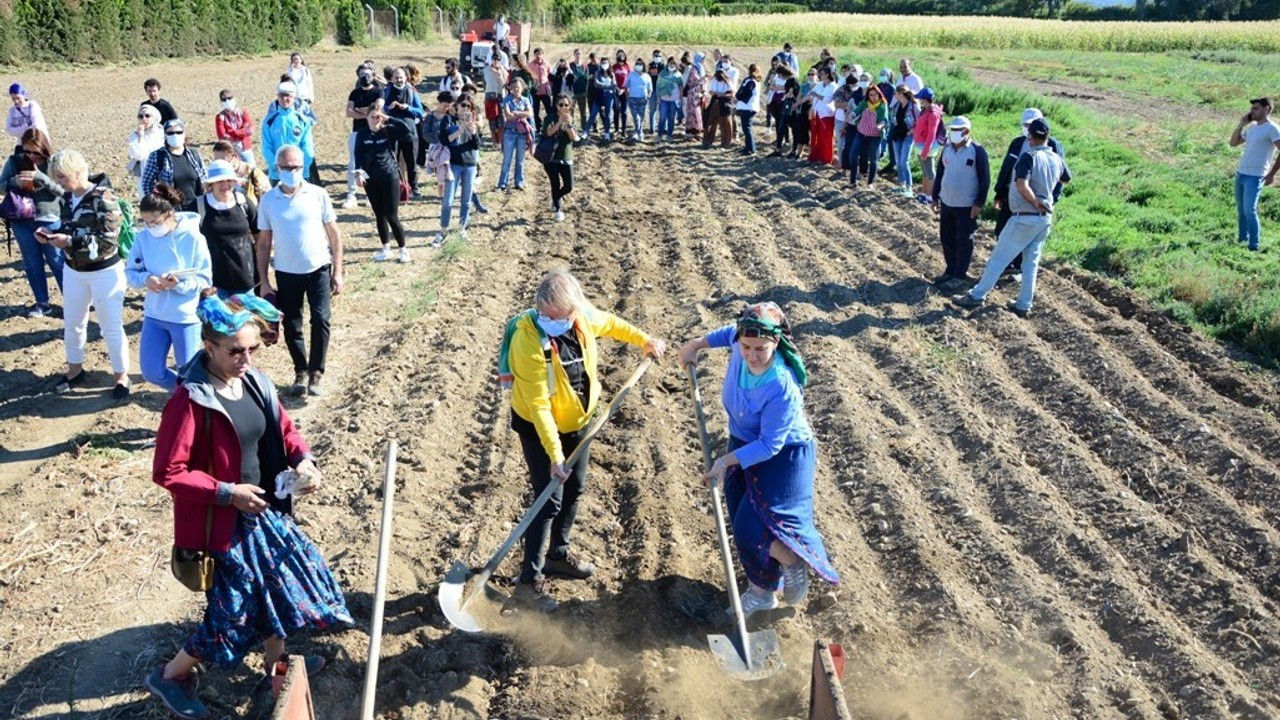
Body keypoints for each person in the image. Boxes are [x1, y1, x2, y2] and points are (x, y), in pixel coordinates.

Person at [144, 289, 350, 720]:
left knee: (277, 589)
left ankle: (276, 671)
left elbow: (285, 429)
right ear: (209, 346)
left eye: (254, 348)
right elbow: (168, 471)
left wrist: (305, 461)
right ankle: (171, 675)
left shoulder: (256, 382)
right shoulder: (191, 400)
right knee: (233, 615)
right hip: (223, 524)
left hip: (265, 513)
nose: (247, 358)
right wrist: (227, 492)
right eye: (236, 350)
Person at [505, 270, 666, 611]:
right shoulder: (527, 341)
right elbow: (538, 405)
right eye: (555, 317)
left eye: (567, 315)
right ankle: (527, 583)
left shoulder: (579, 317)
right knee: (548, 500)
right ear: (543, 311)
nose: (563, 321)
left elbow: (610, 323)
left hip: (579, 421)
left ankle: (558, 556)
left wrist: (644, 340)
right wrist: (554, 454)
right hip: (540, 428)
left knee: (575, 489)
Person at [677, 303, 839, 617]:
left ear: (775, 343)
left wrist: (725, 462)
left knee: (754, 526)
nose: (751, 355)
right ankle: (763, 593)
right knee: (741, 518)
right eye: (746, 347)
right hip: (744, 442)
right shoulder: (741, 344)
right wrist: (696, 345)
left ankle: (791, 562)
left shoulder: (781, 384)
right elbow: (728, 334)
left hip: (784, 455)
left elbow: (769, 444)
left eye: (760, 349)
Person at [953, 118, 1071, 318]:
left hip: (1024, 215)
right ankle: (1024, 304)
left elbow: (1021, 185)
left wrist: (1035, 201)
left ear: (1030, 136)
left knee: (998, 259)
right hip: (1044, 220)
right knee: (1030, 264)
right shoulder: (1056, 158)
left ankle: (976, 296)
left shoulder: (1029, 156)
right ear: (1048, 137)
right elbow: (1066, 179)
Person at [256, 146, 343, 397]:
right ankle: (301, 371)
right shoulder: (269, 201)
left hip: (318, 269)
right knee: (293, 324)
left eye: (295, 167)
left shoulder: (318, 194)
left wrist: (338, 271)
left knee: (321, 319)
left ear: (302, 167)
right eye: (286, 167)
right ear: (277, 168)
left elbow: (334, 235)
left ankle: (317, 372)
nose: (291, 171)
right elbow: (263, 243)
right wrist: (264, 280)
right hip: (286, 271)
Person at [42, 149, 130, 397]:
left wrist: (69, 241)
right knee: (73, 323)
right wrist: (51, 237)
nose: (59, 182)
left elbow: (108, 240)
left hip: (105, 272)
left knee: (110, 325)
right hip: (74, 271)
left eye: (62, 176)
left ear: (78, 172)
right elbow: (69, 226)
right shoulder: (67, 199)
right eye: (56, 177)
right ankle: (75, 369)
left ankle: (121, 376)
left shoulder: (104, 197)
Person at [126, 184, 212, 393]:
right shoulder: (142, 238)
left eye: (154, 222)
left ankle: (195, 407)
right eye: (145, 223)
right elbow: (131, 272)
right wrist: (146, 279)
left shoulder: (194, 239)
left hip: (184, 318)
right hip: (154, 315)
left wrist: (179, 285)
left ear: (170, 214)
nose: (150, 227)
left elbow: (204, 279)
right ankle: (187, 395)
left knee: (189, 372)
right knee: (152, 372)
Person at [993, 108, 1065, 280]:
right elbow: (1006, 168)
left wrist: (1052, 199)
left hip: (1035, 200)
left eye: (1031, 125)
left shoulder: (1053, 146)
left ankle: (1017, 269)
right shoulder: (1017, 143)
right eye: (1025, 125)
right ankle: (1008, 264)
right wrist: (999, 192)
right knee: (1001, 230)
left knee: (1026, 237)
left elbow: (1061, 177)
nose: (1028, 128)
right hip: (1011, 196)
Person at [1, 128, 64, 316]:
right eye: (27, 151)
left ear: (43, 149)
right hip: (21, 220)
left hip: (49, 219)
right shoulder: (15, 161)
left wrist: (40, 177)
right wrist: (14, 182)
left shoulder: (54, 162)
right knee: (32, 263)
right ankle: (42, 303)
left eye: (35, 152)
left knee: (57, 261)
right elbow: (1, 186)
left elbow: (63, 190)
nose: (30, 156)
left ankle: (72, 301)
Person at [930, 117, 990, 292]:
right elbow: (940, 173)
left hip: (966, 205)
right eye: (953, 129)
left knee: (963, 240)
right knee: (946, 238)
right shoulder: (947, 150)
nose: (955, 132)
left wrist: (979, 203)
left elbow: (985, 180)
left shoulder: (977, 152)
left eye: (959, 130)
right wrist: (935, 197)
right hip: (947, 202)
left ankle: (960, 275)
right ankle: (950, 269)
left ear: (967, 132)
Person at [355, 103, 413, 263]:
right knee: (379, 215)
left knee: (392, 215)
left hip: (390, 176)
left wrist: (388, 118)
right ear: (367, 118)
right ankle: (386, 248)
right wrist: (358, 173)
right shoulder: (362, 134)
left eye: (378, 116)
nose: (375, 120)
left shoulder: (388, 130)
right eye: (372, 117)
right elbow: (357, 154)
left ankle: (403, 249)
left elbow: (405, 129)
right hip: (371, 179)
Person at [198, 160, 259, 298]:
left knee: (245, 319)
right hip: (213, 281)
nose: (225, 185)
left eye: (229, 180)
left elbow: (259, 235)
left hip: (245, 279)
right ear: (211, 184)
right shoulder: (199, 206)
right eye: (219, 181)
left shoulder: (244, 203)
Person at [1229, 96, 1280, 252]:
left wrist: (1272, 174)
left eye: (1256, 108)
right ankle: (1242, 240)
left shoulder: (1272, 128)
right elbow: (1233, 143)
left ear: (1267, 109)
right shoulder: (1252, 128)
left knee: (1249, 210)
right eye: (1252, 108)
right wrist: (1241, 124)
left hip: (1256, 176)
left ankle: (1254, 246)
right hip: (1242, 173)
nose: (1252, 111)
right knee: (1241, 210)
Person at [438, 95, 481, 245]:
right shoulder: (448, 120)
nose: (465, 109)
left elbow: (477, 145)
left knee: (466, 200)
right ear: (457, 106)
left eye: (469, 107)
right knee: (448, 200)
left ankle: (462, 228)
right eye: (463, 105)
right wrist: (459, 130)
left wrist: (474, 132)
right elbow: (444, 140)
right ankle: (443, 230)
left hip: (469, 164)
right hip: (454, 164)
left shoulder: (472, 123)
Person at [142, 119, 205, 212]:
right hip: (171, 210)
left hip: (198, 207)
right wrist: (159, 204)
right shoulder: (157, 156)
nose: (175, 135)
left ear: (184, 134)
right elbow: (147, 184)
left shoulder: (194, 155)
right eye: (170, 133)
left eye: (178, 132)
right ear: (165, 135)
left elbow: (205, 179)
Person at [382, 67, 424, 198]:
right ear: (392, 79)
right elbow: (381, 108)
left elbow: (420, 111)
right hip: (392, 132)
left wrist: (408, 108)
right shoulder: (386, 91)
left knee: (411, 162)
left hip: (410, 132)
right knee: (392, 161)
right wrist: (389, 108)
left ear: (406, 78)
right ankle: (395, 187)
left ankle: (414, 188)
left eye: (401, 77)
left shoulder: (412, 92)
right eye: (396, 77)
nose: (399, 80)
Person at [343, 65, 382, 209]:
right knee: (353, 163)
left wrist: (359, 110)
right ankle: (351, 194)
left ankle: (369, 195)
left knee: (371, 163)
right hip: (357, 131)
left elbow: (377, 109)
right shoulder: (354, 93)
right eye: (363, 75)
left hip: (373, 131)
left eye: (368, 74)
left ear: (373, 76)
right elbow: (349, 112)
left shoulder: (378, 91)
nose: (366, 77)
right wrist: (367, 112)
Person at [261, 82, 315, 185]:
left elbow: (307, 147)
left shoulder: (302, 120)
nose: (285, 99)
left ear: (294, 98)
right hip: (277, 173)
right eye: (281, 95)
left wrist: (303, 166)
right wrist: (276, 166)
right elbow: (266, 146)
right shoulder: (269, 121)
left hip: (299, 172)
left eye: (288, 95)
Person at [541, 95, 579, 223]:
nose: (563, 107)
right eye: (561, 104)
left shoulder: (571, 119)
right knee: (555, 184)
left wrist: (568, 125)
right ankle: (558, 210)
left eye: (566, 105)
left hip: (566, 156)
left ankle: (556, 197)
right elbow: (549, 132)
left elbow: (574, 138)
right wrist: (559, 122)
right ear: (556, 105)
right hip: (551, 156)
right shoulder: (549, 118)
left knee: (569, 186)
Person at [848, 85, 888, 187]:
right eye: (871, 95)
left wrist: (881, 125)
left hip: (875, 136)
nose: (873, 97)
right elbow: (857, 110)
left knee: (874, 159)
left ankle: (870, 183)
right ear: (868, 96)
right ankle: (852, 181)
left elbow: (885, 119)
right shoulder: (865, 103)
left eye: (875, 95)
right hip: (861, 133)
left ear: (879, 95)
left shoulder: (882, 106)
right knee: (853, 155)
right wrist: (852, 114)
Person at [499, 77, 533, 191]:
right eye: (513, 87)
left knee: (520, 160)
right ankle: (502, 183)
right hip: (509, 132)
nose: (515, 89)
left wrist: (517, 113)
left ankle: (519, 182)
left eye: (517, 87)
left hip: (522, 133)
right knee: (507, 159)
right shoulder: (506, 100)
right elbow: (508, 116)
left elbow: (529, 113)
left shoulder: (526, 100)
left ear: (522, 88)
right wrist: (522, 114)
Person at [212, 141, 270, 207]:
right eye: (217, 162)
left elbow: (268, 202)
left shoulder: (254, 175)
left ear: (235, 156)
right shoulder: (216, 178)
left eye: (225, 162)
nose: (221, 166)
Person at [126, 104, 165, 200]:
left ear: (154, 117)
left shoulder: (161, 132)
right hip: (144, 173)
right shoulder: (135, 135)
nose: (144, 119)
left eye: (147, 116)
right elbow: (137, 155)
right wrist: (140, 137)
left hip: (162, 172)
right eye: (140, 116)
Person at [912, 87, 943, 202]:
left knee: (930, 173)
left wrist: (926, 150)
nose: (920, 101)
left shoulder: (933, 114)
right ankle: (924, 193)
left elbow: (932, 133)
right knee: (924, 172)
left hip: (928, 147)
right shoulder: (924, 110)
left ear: (929, 100)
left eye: (922, 99)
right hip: (921, 145)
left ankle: (931, 196)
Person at [887, 86, 919, 197]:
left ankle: (909, 188)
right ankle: (902, 185)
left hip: (908, 136)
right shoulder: (897, 105)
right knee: (898, 162)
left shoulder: (913, 106)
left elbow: (919, 122)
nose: (895, 95)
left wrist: (912, 131)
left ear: (902, 93)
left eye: (897, 93)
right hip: (897, 135)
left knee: (904, 161)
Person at [215, 89, 255, 167]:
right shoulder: (220, 117)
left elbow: (250, 129)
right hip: (231, 151)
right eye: (224, 99)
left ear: (234, 98)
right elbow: (222, 136)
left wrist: (234, 133)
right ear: (221, 102)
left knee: (252, 169)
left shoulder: (243, 112)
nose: (227, 101)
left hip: (245, 148)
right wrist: (242, 132)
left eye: (229, 98)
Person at [808, 67, 837, 165]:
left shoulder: (833, 86)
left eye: (822, 73)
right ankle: (816, 155)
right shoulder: (819, 85)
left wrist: (816, 95)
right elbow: (811, 95)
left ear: (827, 74)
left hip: (826, 114)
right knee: (816, 136)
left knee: (826, 137)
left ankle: (826, 158)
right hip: (816, 112)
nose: (820, 75)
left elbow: (828, 99)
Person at [767, 65, 798, 156]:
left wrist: (784, 94)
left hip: (790, 104)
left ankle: (792, 149)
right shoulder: (790, 80)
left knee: (791, 126)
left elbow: (790, 93)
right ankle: (779, 148)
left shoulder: (792, 80)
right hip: (788, 103)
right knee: (782, 125)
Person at [702, 67, 735, 150]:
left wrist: (722, 95)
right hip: (715, 102)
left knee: (725, 124)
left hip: (725, 104)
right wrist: (714, 93)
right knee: (709, 120)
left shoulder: (728, 82)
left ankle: (725, 143)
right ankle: (708, 140)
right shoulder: (714, 80)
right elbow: (711, 91)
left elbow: (731, 94)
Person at [586, 59, 617, 144]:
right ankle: (585, 132)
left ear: (609, 64)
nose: (604, 64)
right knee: (593, 114)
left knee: (608, 115)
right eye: (603, 63)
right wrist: (608, 86)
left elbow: (614, 85)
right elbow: (596, 84)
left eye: (606, 62)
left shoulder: (612, 74)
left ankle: (607, 133)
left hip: (609, 97)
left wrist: (603, 86)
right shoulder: (597, 73)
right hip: (599, 96)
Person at [789, 68, 816, 159]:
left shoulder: (819, 85)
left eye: (813, 74)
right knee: (802, 131)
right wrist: (802, 100)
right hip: (804, 108)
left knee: (814, 132)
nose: (811, 76)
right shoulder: (804, 86)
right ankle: (799, 152)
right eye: (809, 74)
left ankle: (812, 152)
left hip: (815, 109)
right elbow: (798, 98)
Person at [483, 53, 509, 145]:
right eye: (494, 59)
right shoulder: (486, 70)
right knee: (492, 118)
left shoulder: (504, 71)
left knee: (501, 118)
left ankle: (500, 140)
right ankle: (494, 140)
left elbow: (505, 84)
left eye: (498, 59)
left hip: (500, 95)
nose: (496, 61)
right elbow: (485, 84)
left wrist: (499, 75)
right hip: (490, 95)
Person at [656, 57, 684, 143]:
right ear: (667, 64)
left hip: (674, 100)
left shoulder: (679, 75)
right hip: (664, 99)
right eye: (670, 63)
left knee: (671, 118)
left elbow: (681, 87)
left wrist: (681, 98)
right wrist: (658, 98)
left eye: (673, 63)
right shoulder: (662, 74)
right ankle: (660, 135)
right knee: (662, 117)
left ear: (676, 65)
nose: (671, 65)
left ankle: (669, 135)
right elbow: (658, 86)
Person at [736, 64, 761, 156]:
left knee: (746, 128)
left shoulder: (751, 81)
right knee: (747, 127)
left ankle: (751, 148)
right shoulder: (755, 81)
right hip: (749, 107)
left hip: (747, 107)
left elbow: (746, 93)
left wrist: (737, 97)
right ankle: (748, 148)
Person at [624, 61, 652, 143]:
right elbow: (626, 86)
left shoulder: (647, 76)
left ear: (643, 66)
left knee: (641, 117)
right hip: (633, 98)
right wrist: (627, 96)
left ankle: (638, 132)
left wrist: (648, 96)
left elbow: (650, 88)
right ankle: (639, 133)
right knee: (636, 117)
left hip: (643, 99)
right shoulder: (631, 75)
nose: (639, 66)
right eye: (637, 64)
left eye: (640, 64)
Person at [527, 48, 552, 132]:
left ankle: (550, 126)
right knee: (536, 111)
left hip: (545, 91)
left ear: (542, 54)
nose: (538, 55)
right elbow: (528, 77)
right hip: (535, 91)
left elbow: (550, 75)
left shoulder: (546, 64)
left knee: (549, 109)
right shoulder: (530, 65)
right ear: (534, 55)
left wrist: (549, 86)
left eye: (540, 53)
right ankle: (538, 128)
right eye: (536, 54)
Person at [683, 53, 706, 141]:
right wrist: (703, 80)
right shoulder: (694, 68)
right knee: (693, 113)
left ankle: (697, 132)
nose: (703, 61)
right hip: (693, 94)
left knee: (698, 113)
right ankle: (691, 133)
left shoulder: (700, 67)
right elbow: (694, 80)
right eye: (702, 59)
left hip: (699, 94)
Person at [611, 51, 631, 139]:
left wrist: (624, 89)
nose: (620, 57)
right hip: (615, 91)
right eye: (619, 55)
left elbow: (630, 79)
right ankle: (616, 129)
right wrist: (617, 88)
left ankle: (623, 130)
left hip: (624, 92)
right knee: (616, 110)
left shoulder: (627, 67)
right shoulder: (613, 67)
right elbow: (611, 79)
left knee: (624, 112)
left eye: (622, 55)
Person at [569, 50, 591, 129]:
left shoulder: (585, 67)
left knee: (583, 112)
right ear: (574, 55)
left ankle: (584, 129)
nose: (578, 55)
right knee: (571, 111)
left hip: (582, 93)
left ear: (581, 55)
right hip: (572, 93)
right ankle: (571, 128)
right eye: (577, 54)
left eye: (579, 54)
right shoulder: (570, 66)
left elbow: (587, 80)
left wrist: (586, 92)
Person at [646, 49, 664, 135]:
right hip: (652, 90)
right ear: (653, 56)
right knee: (652, 110)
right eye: (656, 56)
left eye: (659, 56)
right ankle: (652, 128)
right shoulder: (650, 66)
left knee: (662, 110)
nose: (658, 57)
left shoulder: (664, 66)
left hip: (661, 91)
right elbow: (648, 76)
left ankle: (663, 128)